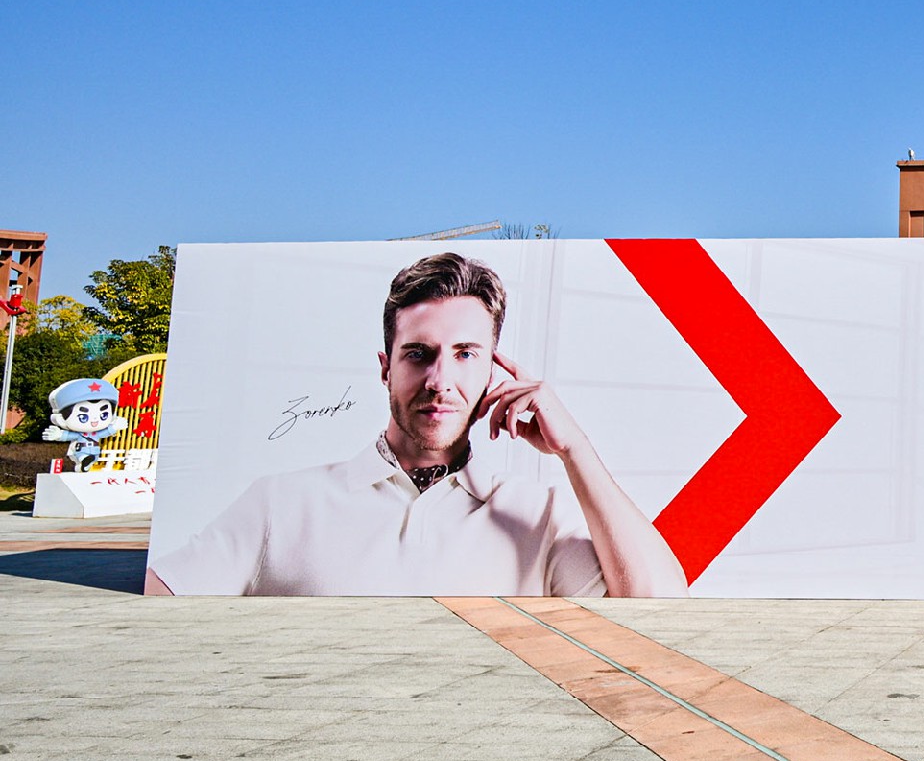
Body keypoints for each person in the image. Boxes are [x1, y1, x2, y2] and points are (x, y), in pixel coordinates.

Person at [146, 253, 688, 597]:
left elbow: (661, 609)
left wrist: (576, 451)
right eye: (418, 354)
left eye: (466, 354)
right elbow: (157, 603)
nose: (439, 380)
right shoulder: (280, 503)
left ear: (494, 370)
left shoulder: (539, 516)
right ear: (386, 368)